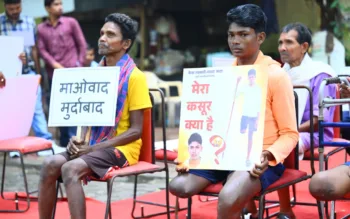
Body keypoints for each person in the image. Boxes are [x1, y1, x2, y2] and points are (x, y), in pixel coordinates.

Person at [169, 4, 299, 219]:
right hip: (223, 153)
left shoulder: (275, 75)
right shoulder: (221, 75)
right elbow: (212, 122)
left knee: (228, 198)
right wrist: (190, 154)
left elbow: (290, 133)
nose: (235, 41)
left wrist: (268, 156)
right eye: (231, 35)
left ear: (260, 38)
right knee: (179, 186)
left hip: (258, 158)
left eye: (243, 35)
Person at [37, 13, 151, 219]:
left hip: (122, 149)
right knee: (49, 164)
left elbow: (136, 131)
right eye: (101, 33)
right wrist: (77, 140)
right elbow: (86, 117)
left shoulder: (136, 77)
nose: (102, 38)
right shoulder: (93, 74)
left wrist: (91, 148)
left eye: (110, 34)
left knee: (70, 169)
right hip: (93, 144)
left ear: (125, 43)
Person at [0, 0, 64, 156]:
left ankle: (45, 143)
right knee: (12, 110)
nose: (15, 11)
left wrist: (37, 71)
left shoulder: (29, 21)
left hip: (28, 71)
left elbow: (34, 49)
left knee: (36, 109)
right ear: (5, 6)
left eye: (18, 7)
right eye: (11, 8)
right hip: (6, 75)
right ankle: (12, 146)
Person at [37, 0, 87, 147]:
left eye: (61, 4)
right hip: (55, 75)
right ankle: (64, 142)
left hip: (73, 73)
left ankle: (74, 141)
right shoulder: (41, 28)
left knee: (75, 107)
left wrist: (79, 64)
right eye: (56, 4)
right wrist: (55, 65)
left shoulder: (71, 22)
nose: (60, 7)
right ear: (47, 8)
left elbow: (82, 44)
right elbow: (42, 50)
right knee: (60, 109)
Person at [237, 68, 262, 166]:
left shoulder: (258, 89)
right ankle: (240, 155)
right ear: (248, 78)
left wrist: (257, 119)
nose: (251, 79)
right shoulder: (245, 87)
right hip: (245, 114)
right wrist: (238, 82)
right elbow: (235, 95)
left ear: (255, 78)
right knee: (242, 133)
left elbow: (259, 105)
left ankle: (247, 157)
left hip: (253, 116)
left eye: (253, 77)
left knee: (250, 136)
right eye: (250, 77)